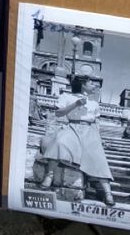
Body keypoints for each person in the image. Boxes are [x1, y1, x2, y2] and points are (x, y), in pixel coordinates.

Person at [39, 75, 115, 205]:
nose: (94, 85)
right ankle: (49, 176)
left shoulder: (94, 103)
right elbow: (58, 113)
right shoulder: (66, 97)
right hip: (72, 127)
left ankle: (108, 193)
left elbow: (96, 122)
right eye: (91, 83)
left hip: (89, 130)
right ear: (82, 84)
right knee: (59, 142)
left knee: (98, 157)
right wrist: (75, 104)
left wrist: (99, 139)